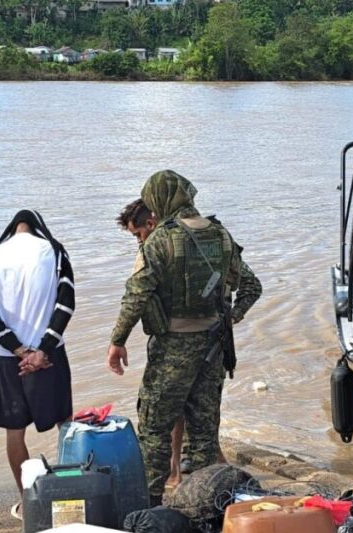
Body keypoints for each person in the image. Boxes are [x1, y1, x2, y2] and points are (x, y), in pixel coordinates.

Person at [107, 170, 262, 505]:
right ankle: (205, 510)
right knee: (204, 437)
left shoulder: (160, 240)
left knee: (154, 431)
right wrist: (230, 318)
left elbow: (137, 294)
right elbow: (251, 286)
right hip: (212, 350)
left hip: (171, 350)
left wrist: (117, 340)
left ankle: (149, 510)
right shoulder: (220, 235)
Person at [0, 209, 75, 520]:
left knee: (14, 434)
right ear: (37, 228)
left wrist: (17, 348)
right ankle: (71, 496)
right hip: (50, 356)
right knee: (65, 427)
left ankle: (28, 503)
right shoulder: (54, 251)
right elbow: (66, 303)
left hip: (8, 359)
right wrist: (42, 350)